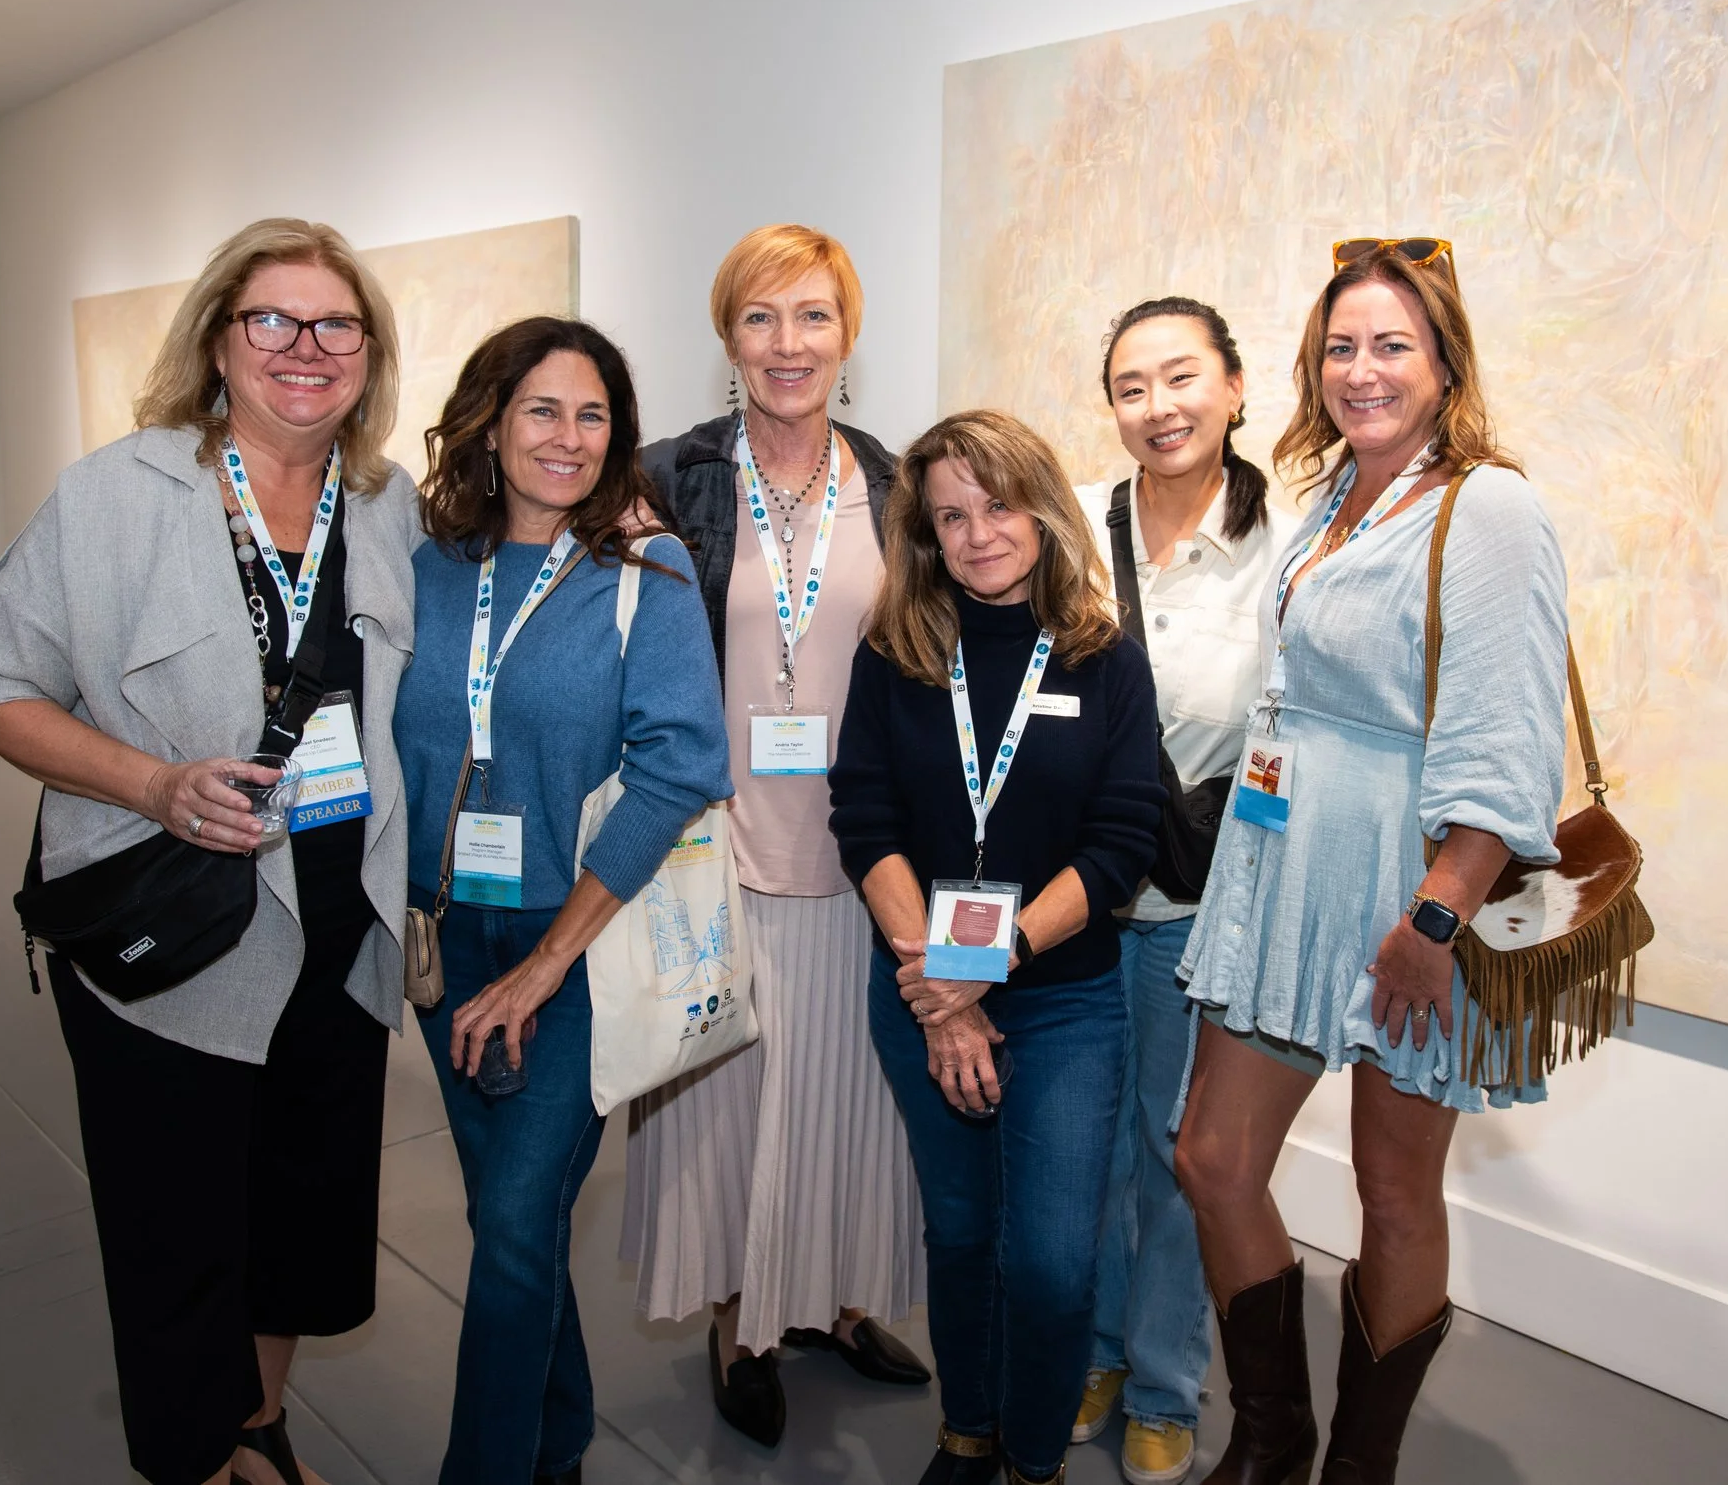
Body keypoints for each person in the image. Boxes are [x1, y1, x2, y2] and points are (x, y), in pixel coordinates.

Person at [0, 218, 419, 1485]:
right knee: (177, 1235)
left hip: (338, 927)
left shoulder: (384, 502)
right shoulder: (118, 493)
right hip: (179, 929)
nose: (306, 347)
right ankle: (192, 1459)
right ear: (218, 339)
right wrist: (152, 782)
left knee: (300, 1217)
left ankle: (258, 1425)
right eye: (273, 319)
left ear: (368, 353)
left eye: (337, 324)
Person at [1172, 241, 1569, 1485]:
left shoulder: (1487, 505)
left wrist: (1436, 917)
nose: (1362, 369)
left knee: (1393, 1193)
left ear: (1445, 362)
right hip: (1285, 875)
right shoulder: (1339, 491)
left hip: (1408, 894)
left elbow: (1507, 736)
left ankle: (1359, 1463)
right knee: (1212, 1157)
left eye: (1392, 344)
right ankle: (1273, 1434)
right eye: (1340, 346)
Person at [392, 316, 730, 1485]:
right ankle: (561, 1440)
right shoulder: (428, 564)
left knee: (515, 1223)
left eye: (593, 415)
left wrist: (543, 967)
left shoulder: (645, 573)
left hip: (576, 941)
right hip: (447, 932)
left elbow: (683, 766)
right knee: (508, 1220)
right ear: (489, 421)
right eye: (543, 408)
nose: (569, 437)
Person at [628, 224, 932, 1445]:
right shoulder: (669, 479)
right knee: (730, 1107)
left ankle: (837, 1300)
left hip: (865, 854)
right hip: (718, 849)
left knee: (853, 1099)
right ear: (728, 338)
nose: (787, 342)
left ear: (848, 335)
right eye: (759, 317)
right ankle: (741, 1320)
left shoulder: (900, 487)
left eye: (812, 314)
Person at [831, 410, 1166, 1485]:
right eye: (950, 516)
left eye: (999, 504)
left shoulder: (1105, 660)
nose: (978, 534)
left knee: (1055, 1262)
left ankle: (1033, 1458)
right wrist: (940, 989)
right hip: (919, 988)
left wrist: (987, 961)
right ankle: (967, 1430)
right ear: (925, 534)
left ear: (1044, 508)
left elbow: (1122, 843)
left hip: (1063, 997)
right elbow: (865, 821)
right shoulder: (895, 654)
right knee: (964, 1231)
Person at [1068, 299, 1288, 1485]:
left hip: (1201, 900)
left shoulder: (1288, 546)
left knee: (1173, 1146)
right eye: (1130, 386)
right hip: (1071, 894)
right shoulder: (1069, 528)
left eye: (1182, 376)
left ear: (1235, 387)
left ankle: (1161, 1379)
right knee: (1082, 1137)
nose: (1158, 407)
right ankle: (1094, 1349)